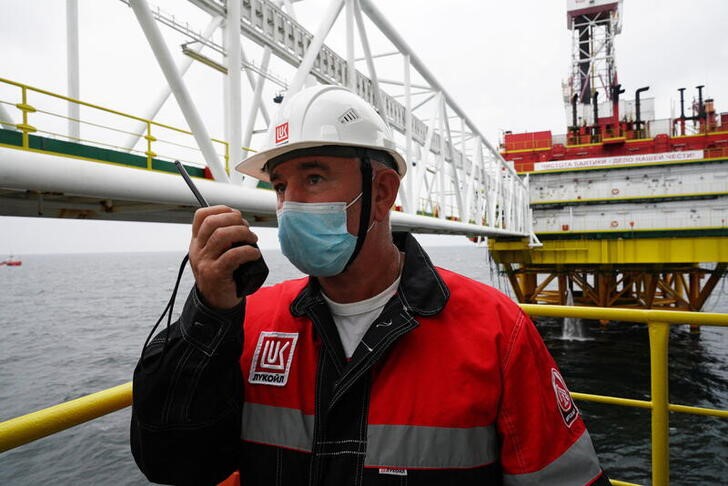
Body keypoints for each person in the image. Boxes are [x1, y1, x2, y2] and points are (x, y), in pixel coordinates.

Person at [131, 85, 610, 486]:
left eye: (313, 178)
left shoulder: (495, 332)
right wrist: (209, 313)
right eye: (280, 187)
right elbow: (170, 460)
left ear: (381, 192)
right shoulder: (250, 321)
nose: (290, 205)